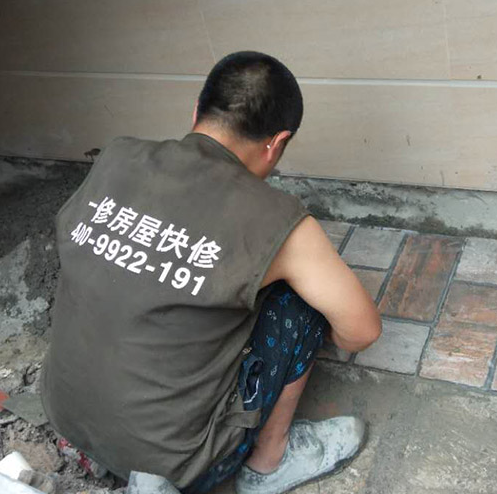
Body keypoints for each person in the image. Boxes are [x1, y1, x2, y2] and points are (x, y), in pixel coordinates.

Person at [40, 51, 382, 494]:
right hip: (186, 459)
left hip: (66, 415)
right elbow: (361, 332)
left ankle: (130, 463)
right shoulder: (279, 220)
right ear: (276, 143)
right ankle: (268, 464)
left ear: (197, 112)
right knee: (301, 305)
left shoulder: (117, 156)